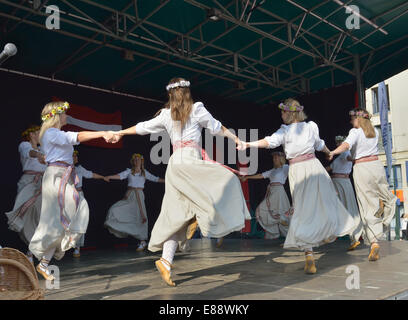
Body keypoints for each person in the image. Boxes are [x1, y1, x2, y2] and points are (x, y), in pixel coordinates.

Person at [107, 78, 251, 286]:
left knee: (177, 214)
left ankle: (166, 261)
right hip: (190, 161)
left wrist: (120, 132)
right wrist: (235, 139)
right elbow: (217, 127)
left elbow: (142, 128)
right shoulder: (197, 109)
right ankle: (202, 220)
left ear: (171, 95)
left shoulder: (166, 115)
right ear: (187, 92)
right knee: (228, 180)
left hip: (175, 164)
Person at [238, 98, 355, 274]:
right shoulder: (301, 128)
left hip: (303, 170)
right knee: (320, 203)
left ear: (291, 112)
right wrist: (328, 152)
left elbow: (273, 141)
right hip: (309, 168)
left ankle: (312, 250)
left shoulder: (300, 128)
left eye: (284, 112)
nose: (282, 114)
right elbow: (318, 144)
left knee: (310, 207)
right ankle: (318, 242)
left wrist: (328, 152)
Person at [29, 101, 115, 280]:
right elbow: (77, 136)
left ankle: (43, 263)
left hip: (62, 176)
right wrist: (103, 133)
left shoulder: (52, 134)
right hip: (57, 177)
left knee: (61, 221)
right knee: (68, 213)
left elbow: (48, 156)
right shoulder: (52, 133)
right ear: (56, 115)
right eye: (65, 113)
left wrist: (48, 159)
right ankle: (38, 253)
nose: (67, 115)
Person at [329, 108, 397, 261]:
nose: (351, 121)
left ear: (358, 119)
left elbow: (346, 146)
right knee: (387, 198)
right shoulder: (374, 133)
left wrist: (333, 152)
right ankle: (384, 220)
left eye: (352, 119)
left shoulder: (355, 132)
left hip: (362, 169)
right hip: (376, 166)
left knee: (367, 205)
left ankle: (374, 242)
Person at [104, 153, 164, 252]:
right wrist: (109, 177)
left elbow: (156, 179)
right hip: (130, 195)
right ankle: (136, 237)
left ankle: (142, 241)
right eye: (135, 160)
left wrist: (168, 180)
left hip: (139, 195)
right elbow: (119, 176)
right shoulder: (129, 171)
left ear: (141, 161)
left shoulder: (144, 173)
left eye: (138, 159)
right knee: (116, 209)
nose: (137, 161)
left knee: (141, 216)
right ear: (133, 161)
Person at [5, 125, 46, 263]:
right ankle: (30, 249)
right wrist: (39, 155)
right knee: (27, 215)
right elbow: (30, 153)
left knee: (41, 216)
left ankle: (35, 248)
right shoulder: (24, 145)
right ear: (32, 134)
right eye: (39, 133)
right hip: (29, 183)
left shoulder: (43, 149)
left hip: (43, 183)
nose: (42, 135)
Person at [241, 151, 293, 240]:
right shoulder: (273, 171)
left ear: (281, 159)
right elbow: (261, 175)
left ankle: (288, 235)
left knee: (280, 212)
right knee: (263, 210)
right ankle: (275, 232)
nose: (274, 159)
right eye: (274, 158)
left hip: (279, 191)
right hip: (272, 191)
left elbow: (294, 168)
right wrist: (247, 177)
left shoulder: (285, 168)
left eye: (276, 157)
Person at [326, 135, 363, 251]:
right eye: (337, 143)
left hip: (343, 182)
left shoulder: (346, 154)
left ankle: (355, 238)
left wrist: (356, 159)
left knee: (348, 208)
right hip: (336, 182)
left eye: (340, 143)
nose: (338, 144)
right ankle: (329, 234)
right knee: (334, 208)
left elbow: (350, 158)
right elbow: (330, 168)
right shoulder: (338, 157)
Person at [72, 150, 108, 258]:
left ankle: (77, 247)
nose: (76, 157)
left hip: (79, 194)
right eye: (73, 156)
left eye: (76, 156)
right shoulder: (64, 168)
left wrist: (102, 177)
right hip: (68, 195)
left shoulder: (80, 169)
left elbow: (91, 174)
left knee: (80, 220)